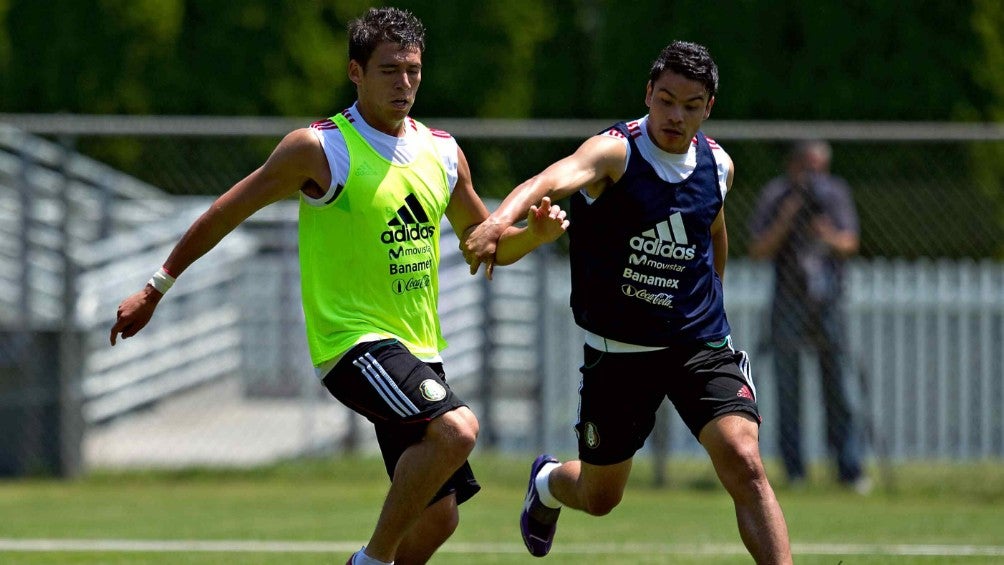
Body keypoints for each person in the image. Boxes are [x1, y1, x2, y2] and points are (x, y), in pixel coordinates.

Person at [108, 7, 568, 565]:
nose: (404, 84)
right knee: (458, 430)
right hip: (352, 343)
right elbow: (227, 212)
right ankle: (368, 562)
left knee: (439, 518)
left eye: (414, 71)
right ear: (356, 72)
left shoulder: (443, 152)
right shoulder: (320, 148)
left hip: (418, 348)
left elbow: (482, 246)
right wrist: (156, 287)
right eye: (389, 70)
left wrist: (533, 236)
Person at [463, 41, 792, 563]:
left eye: (691, 105)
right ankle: (548, 483)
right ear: (648, 94)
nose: (675, 116)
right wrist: (498, 222)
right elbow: (551, 178)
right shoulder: (617, 152)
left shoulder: (718, 165)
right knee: (600, 498)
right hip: (619, 353)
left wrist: (715, 310)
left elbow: (714, 230)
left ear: (708, 108)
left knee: (745, 460)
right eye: (666, 100)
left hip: (699, 345)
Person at [747, 140, 867, 493]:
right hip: (788, 301)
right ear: (793, 165)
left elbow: (850, 243)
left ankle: (849, 470)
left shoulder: (835, 194)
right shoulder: (777, 194)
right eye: (807, 168)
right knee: (788, 388)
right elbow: (757, 249)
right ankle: (794, 471)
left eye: (819, 169)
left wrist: (825, 233)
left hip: (828, 300)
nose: (813, 177)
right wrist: (788, 215)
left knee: (839, 387)